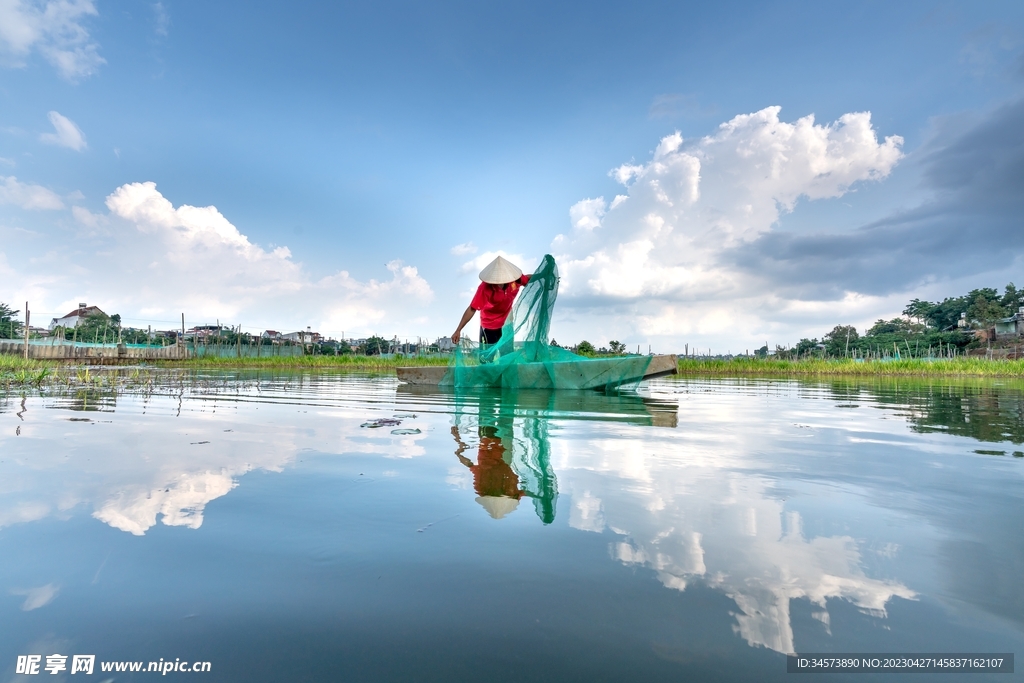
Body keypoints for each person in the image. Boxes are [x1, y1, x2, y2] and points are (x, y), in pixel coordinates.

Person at [451, 255, 530, 346]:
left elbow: (527, 279)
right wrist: (458, 330)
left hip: (507, 323)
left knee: (507, 356)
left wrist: (542, 275)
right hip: (489, 326)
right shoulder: (484, 288)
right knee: (487, 358)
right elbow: (472, 308)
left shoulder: (516, 280)